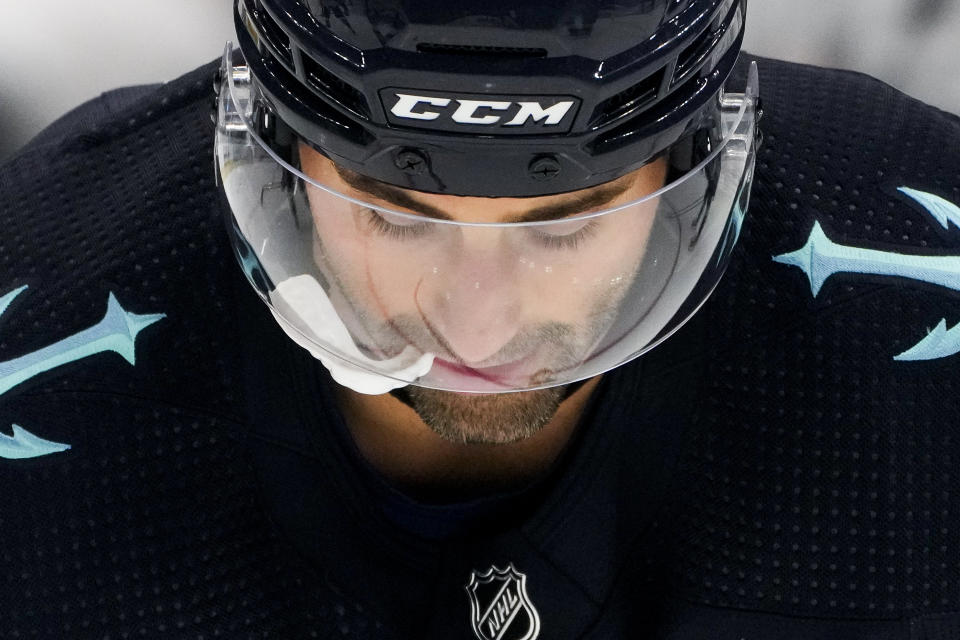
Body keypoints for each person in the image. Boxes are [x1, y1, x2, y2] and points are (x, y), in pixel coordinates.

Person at [1, 1, 958, 638]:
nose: (478, 330)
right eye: (394, 212)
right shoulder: (34, 315)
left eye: (567, 224)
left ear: (692, 156)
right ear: (276, 144)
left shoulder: (924, 274)